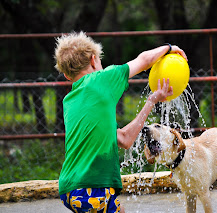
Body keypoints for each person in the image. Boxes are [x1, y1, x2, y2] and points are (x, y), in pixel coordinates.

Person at [54, 31, 187, 213]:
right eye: (101, 62)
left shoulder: (70, 101)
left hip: (70, 187)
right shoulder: (101, 79)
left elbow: (125, 139)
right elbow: (143, 61)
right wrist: (170, 48)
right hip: (92, 187)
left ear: (68, 76)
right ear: (94, 61)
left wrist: (151, 101)